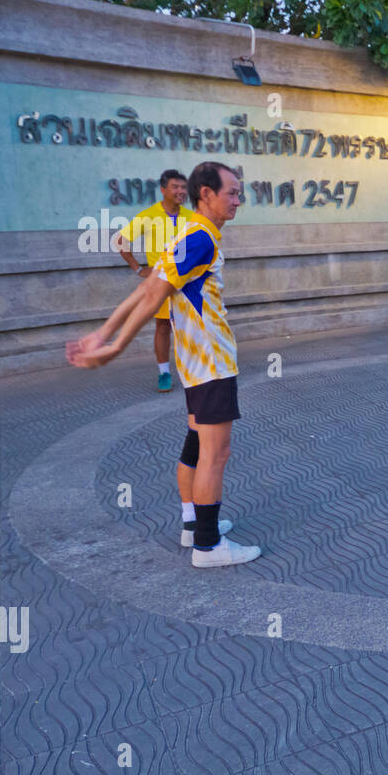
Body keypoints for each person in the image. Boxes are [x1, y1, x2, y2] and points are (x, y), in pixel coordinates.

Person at [68, 161, 259, 568]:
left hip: (194, 363)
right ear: (205, 194)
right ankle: (208, 547)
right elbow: (153, 293)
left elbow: (150, 287)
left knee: (197, 444)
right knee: (216, 453)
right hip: (210, 364)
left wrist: (105, 335)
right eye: (232, 192)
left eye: (239, 193)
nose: (238, 200)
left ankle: (194, 528)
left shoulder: (187, 233)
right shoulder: (200, 238)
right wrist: (114, 345)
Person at [112, 169, 193, 393]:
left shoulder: (191, 217)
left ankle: (192, 368)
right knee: (163, 326)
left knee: (190, 326)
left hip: (188, 283)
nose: (180, 191)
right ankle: (164, 373)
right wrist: (139, 269)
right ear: (163, 190)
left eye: (183, 187)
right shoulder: (149, 215)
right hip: (161, 283)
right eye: (175, 187)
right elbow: (120, 241)